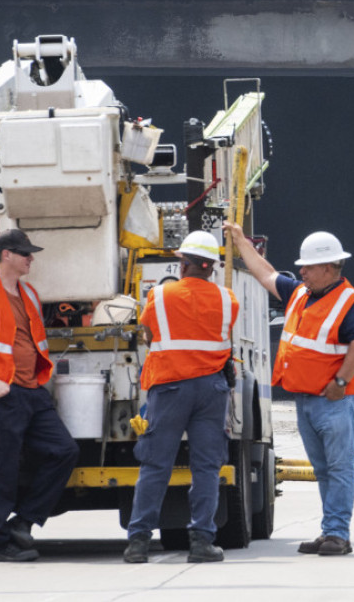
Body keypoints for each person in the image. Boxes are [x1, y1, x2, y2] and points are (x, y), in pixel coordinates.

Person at [224, 222, 354, 557]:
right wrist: (241, 243)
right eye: (302, 266)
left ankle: (337, 533)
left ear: (330, 267)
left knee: (338, 467)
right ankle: (330, 531)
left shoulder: (350, 303)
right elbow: (265, 274)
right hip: (307, 400)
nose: (301, 270)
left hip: (335, 400)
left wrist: (339, 383)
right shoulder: (300, 294)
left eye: (308, 266)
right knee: (323, 469)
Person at [123, 230, 239, 564]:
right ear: (212, 268)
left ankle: (138, 543)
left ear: (184, 263)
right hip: (211, 390)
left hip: (170, 388)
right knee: (206, 466)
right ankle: (202, 541)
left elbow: (148, 334)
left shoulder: (159, 296)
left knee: (156, 465)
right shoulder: (227, 299)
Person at [0, 229, 79, 562]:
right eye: (25, 253)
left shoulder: (28, 293)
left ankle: (23, 522)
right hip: (3, 392)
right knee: (3, 468)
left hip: (32, 390)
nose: (31, 258)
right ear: (6, 255)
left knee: (64, 451)